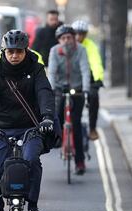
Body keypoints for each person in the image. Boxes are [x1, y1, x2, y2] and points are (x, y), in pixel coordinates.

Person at [0, 30, 55, 211]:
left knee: (31, 161)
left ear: (25, 51)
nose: (14, 56)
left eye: (18, 52)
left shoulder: (36, 69)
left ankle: (33, 207)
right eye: (10, 52)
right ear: (4, 51)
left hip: (30, 126)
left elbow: (44, 92)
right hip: (0, 127)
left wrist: (46, 117)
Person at [48, 24, 90, 175]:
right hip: (59, 88)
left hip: (77, 89)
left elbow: (85, 70)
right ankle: (58, 140)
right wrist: (51, 89)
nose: (66, 40)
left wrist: (85, 89)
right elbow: (52, 72)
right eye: (63, 38)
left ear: (74, 38)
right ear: (59, 40)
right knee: (57, 117)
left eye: (69, 37)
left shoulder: (81, 50)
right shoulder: (54, 51)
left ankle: (80, 162)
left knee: (76, 125)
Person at [72, 20, 104, 141]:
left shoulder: (90, 45)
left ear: (85, 34)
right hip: (72, 79)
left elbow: (96, 63)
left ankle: (92, 128)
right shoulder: (68, 44)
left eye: (82, 34)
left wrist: (98, 79)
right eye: (76, 33)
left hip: (88, 79)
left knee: (93, 97)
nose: (79, 36)